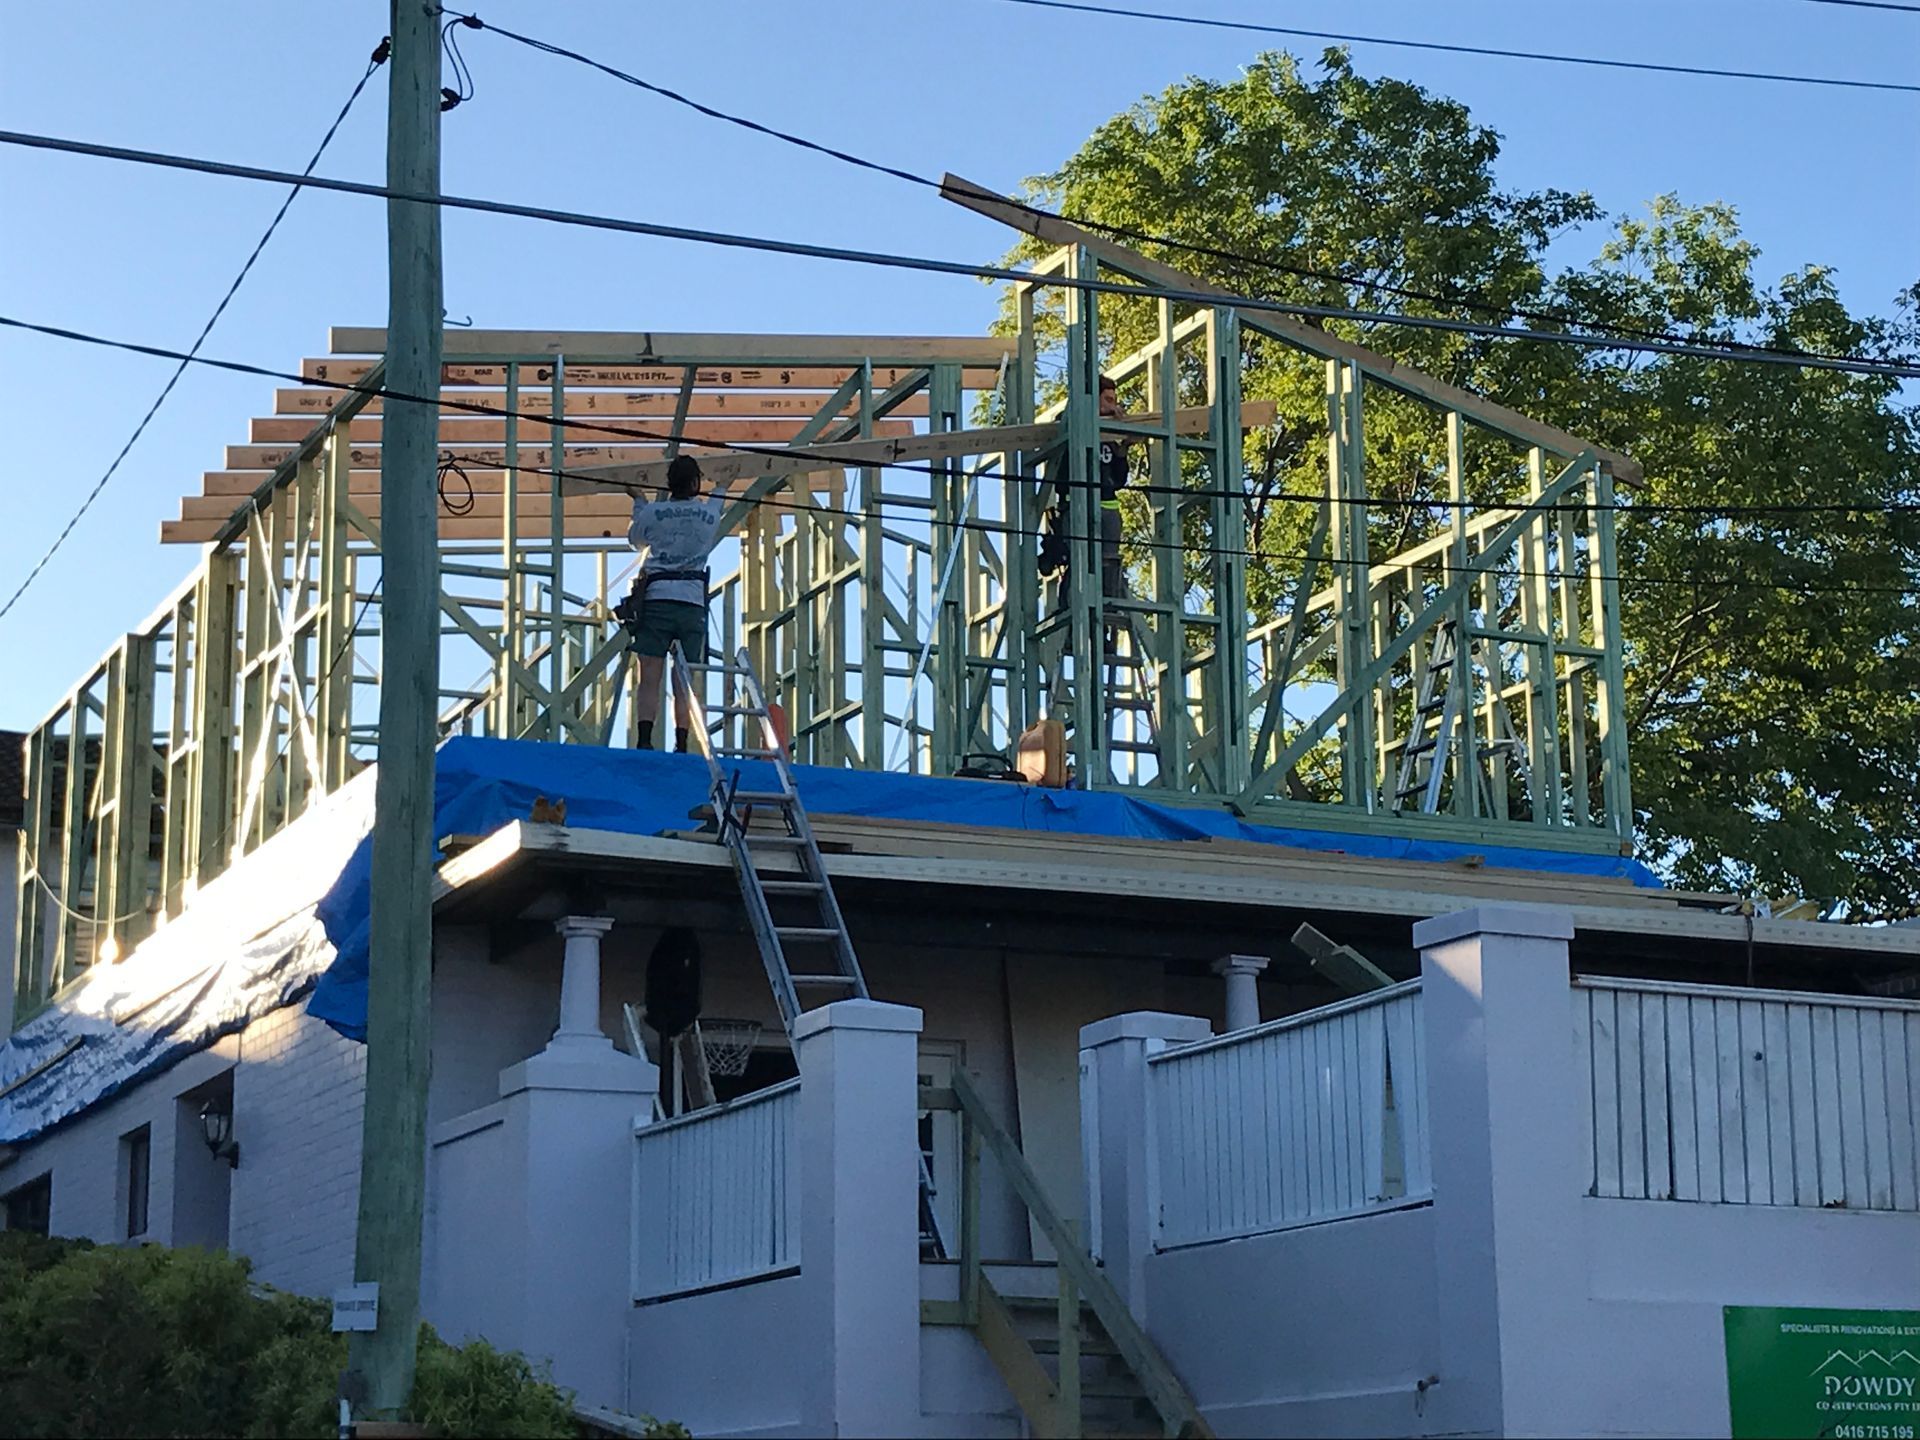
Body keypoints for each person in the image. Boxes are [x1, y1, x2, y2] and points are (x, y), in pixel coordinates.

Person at [624, 454, 736, 751]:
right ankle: (682, 741)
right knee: (684, 677)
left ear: (669, 484)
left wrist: (638, 499)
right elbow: (718, 499)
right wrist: (724, 482)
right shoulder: (708, 516)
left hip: (657, 598)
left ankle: (645, 739)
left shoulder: (654, 513)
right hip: (691, 603)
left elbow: (635, 539)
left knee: (649, 674)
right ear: (696, 483)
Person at [1096, 374, 1132, 603]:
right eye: (1108, 400)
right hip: (1077, 508)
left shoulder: (1108, 437)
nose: (1113, 407)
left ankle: (1109, 606)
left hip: (1108, 509)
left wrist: (1124, 446)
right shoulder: (1070, 421)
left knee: (1109, 565)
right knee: (1083, 563)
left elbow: (1118, 480)